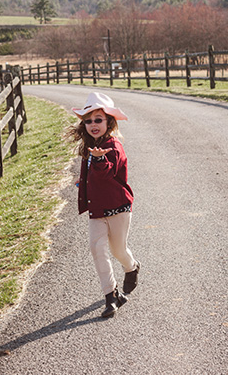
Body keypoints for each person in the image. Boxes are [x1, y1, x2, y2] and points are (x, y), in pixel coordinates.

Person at [71, 92, 140, 318]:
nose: (93, 125)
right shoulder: (89, 147)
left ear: (109, 122)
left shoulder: (113, 146)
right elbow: (95, 175)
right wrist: (84, 182)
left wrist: (100, 160)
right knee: (97, 248)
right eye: (88, 120)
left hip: (118, 207)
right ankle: (111, 296)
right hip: (97, 209)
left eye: (98, 119)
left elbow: (109, 171)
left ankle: (131, 267)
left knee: (118, 250)